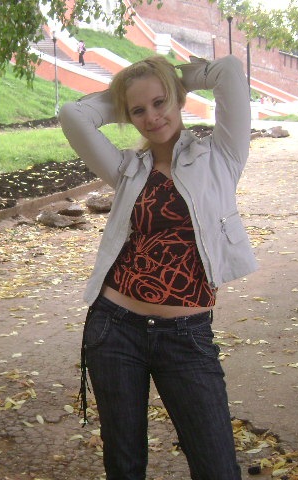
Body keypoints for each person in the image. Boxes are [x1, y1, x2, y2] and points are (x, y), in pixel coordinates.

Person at [59, 54, 257, 480]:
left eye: (160, 102)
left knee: (218, 468)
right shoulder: (128, 169)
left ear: (178, 98)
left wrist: (173, 79)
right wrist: (127, 96)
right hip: (115, 328)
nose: (152, 117)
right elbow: (72, 114)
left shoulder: (221, 155)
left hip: (186, 336)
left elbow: (228, 72)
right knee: (125, 466)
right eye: (138, 111)